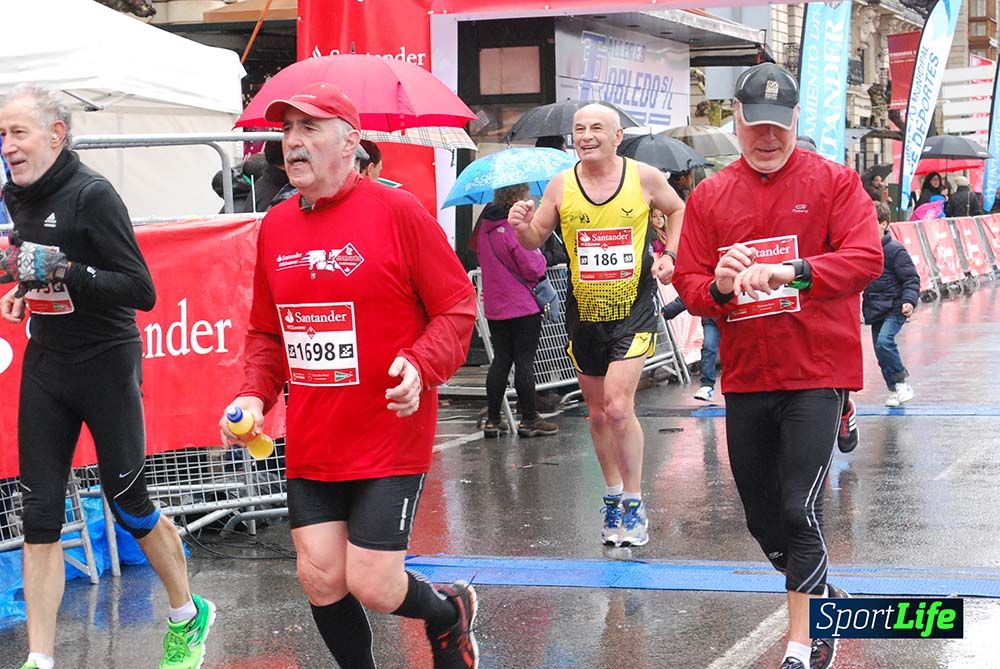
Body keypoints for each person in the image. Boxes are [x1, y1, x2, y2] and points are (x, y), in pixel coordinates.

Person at [218, 82, 479, 669]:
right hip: (315, 436)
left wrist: (419, 364)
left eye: (310, 128)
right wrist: (253, 396)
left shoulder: (398, 211)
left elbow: (457, 307)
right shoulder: (277, 227)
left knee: (375, 584)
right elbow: (266, 332)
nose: (293, 142)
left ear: (351, 141)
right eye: (287, 131)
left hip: (388, 430)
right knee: (319, 577)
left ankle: (448, 615)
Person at [672, 63, 883, 669]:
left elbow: (866, 257)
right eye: (757, 124)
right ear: (737, 120)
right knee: (764, 519)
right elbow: (689, 285)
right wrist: (718, 284)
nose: (769, 136)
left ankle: (804, 642)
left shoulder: (835, 182)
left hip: (816, 371)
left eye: (780, 125)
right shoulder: (710, 196)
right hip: (747, 374)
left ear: (796, 121)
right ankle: (826, 599)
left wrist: (798, 271)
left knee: (799, 509)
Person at [0, 84, 214, 669]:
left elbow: (140, 290)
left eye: (18, 132)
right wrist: (24, 289)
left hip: (105, 361)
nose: (8, 145)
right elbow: (30, 258)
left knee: (128, 501)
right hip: (47, 363)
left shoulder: (92, 194)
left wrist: (67, 270)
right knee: (38, 511)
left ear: (55, 134)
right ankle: (40, 659)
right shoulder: (15, 195)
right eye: (2, 135)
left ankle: (186, 613)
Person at [509, 103, 686, 548]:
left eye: (596, 128)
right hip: (583, 314)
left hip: (633, 310)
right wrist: (520, 227)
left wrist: (671, 257)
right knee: (596, 415)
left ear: (617, 135)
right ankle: (611, 497)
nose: (586, 136)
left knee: (618, 408)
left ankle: (634, 501)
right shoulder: (561, 185)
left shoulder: (643, 177)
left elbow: (678, 208)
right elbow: (535, 238)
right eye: (579, 129)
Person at [470, 183, 560, 438]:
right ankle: (529, 418)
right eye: (526, 195)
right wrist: (541, 255)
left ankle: (493, 419)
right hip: (522, 304)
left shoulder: (485, 227)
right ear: (518, 197)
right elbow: (533, 267)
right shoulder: (513, 227)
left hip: (496, 305)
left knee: (500, 361)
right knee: (524, 362)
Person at [864, 202, 918, 407]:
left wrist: (909, 301)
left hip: (895, 306)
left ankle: (902, 382)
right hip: (875, 307)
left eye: (871, 223)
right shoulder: (865, 250)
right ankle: (894, 389)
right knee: (880, 352)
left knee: (884, 342)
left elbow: (911, 278)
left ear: (884, 224)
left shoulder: (895, 250)